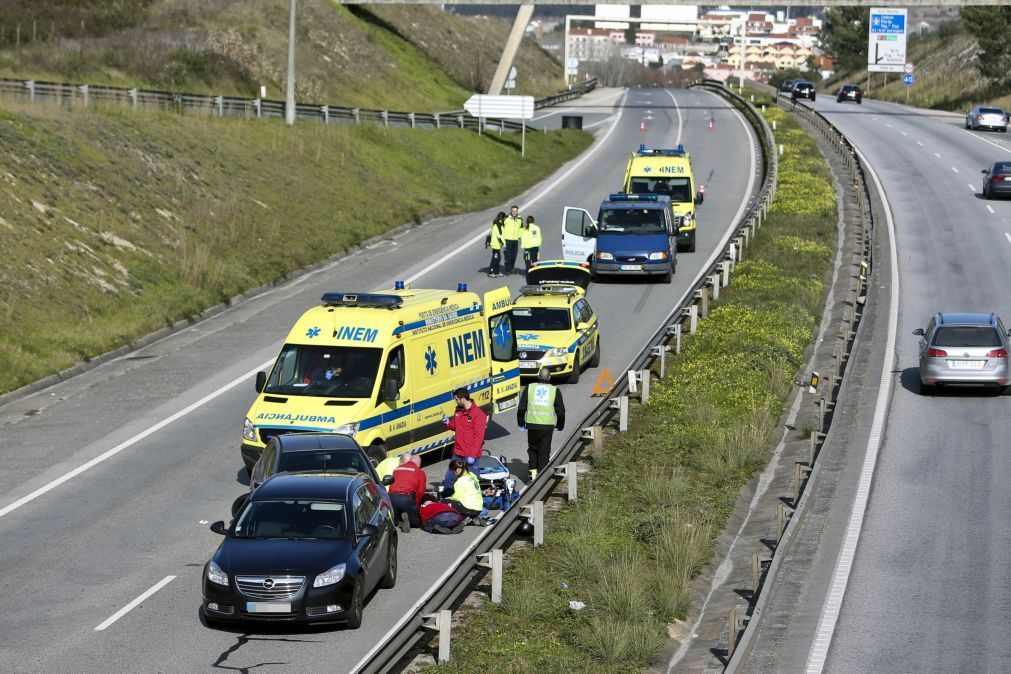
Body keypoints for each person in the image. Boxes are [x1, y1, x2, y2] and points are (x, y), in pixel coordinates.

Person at [517, 367, 565, 481]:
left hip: (532, 425)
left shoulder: (530, 388)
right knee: (544, 451)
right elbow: (560, 411)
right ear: (549, 377)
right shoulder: (554, 390)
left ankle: (532, 475)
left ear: (538, 376)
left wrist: (521, 423)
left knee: (533, 449)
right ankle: (542, 478)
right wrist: (560, 424)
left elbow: (521, 408)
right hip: (547, 426)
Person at [442, 388, 487, 471]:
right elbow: (456, 427)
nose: (455, 401)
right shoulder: (458, 411)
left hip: (469, 455)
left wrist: (472, 455)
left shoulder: (478, 414)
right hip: (457, 453)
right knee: (450, 479)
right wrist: (447, 423)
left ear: (462, 399)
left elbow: (479, 437)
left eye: (456, 399)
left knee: (471, 481)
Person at [442, 460, 490, 526]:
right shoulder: (472, 475)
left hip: (470, 508)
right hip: (479, 507)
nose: (453, 473)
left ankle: (466, 518)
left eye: (453, 471)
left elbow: (456, 498)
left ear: (458, 470)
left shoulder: (460, 481)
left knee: (446, 502)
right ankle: (471, 517)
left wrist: (448, 498)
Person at [388, 454, 427, 532]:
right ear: (418, 464)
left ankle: (399, 521)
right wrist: (417, 505)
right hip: (406, 498)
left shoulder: (397, 469)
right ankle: (405, 520)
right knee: (416, 523)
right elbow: (420, 492)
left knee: (393, 521)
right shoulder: (419, 471)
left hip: (391, 497)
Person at [501, 205, 523, 274]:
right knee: (508, 255)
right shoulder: (506, 218)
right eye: (513, 211)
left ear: (517, 211)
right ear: (511, 211)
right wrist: (502, 239)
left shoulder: (519, 219)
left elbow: (521, 228)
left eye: (515, 211)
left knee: (514, 255)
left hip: (515, 240)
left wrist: (520, 236)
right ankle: (507, 269)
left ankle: (512, 266)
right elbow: (501, 227)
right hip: (507, 239)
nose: (514, 212)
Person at [485, 212, 505, 278]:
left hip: (498, 245)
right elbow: (498, 236)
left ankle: (497, 272)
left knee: (498, 258)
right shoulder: (497, 225)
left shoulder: (499, 224)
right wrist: (503, 243)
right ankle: (491, 272)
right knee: (495, 259)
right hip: (495, 244)